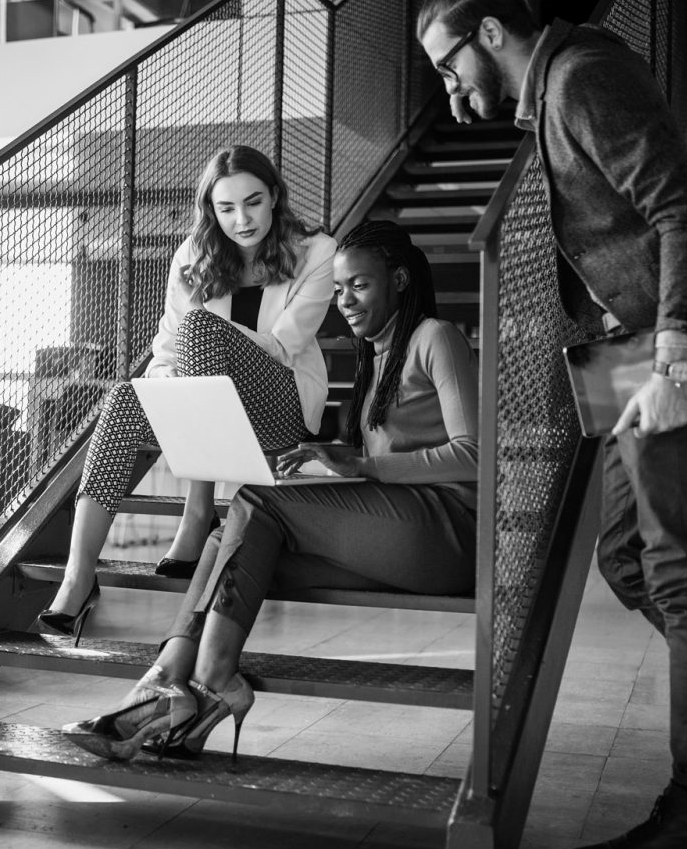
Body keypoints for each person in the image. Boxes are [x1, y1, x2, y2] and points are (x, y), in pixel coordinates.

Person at [414, 2, 687, 849]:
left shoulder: (582, 78)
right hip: (624, 360)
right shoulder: (547, 97)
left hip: (669, 356)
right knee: (625, 558)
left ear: (491, 31)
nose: (449, 83)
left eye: (447, 61)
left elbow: (686, 212)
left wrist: (678, 359)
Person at [60, 219, 479, 762]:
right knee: (231, 537)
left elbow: (473, 455)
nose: (345, 300)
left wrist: (359, 463)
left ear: (399, 280)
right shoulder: (376, 357)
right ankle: (168, 681)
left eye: (361, 285)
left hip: (447, 533)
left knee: (253, 503)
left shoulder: (434, 337)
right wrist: (332, 467)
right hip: (397, 535)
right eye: (339, 289)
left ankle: (208, 677)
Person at [38, 145, 335, 642]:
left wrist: (209, 348)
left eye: (254, 202)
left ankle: (198, 511)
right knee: (122, 399)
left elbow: (285, 345)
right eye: (227, 208)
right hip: (210, 412)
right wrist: (175, 394)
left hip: (281, 407)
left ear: (275, 196)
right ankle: (78, 576)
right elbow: (165, 349)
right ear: (211, 211)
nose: (242, 219)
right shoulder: (194, 254)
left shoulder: (317, 251)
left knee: (203, 329)